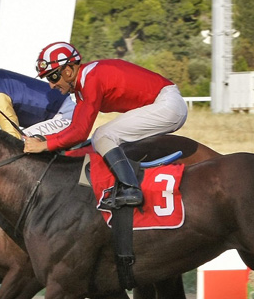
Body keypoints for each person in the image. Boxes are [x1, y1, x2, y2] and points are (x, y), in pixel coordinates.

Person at [24, 42, 188, 209]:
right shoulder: (83, 84)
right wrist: (44, 139)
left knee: (102, 135)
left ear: (68, 71)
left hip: (168, 105)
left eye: (53, 77)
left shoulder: (91, 79)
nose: (51, 85)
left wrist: (44, 145)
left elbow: (79, 133)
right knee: (99, 139)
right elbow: (74, 128)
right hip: (165, 103)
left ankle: (131, 189)